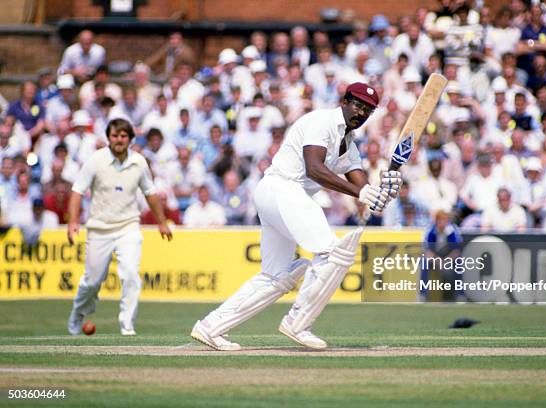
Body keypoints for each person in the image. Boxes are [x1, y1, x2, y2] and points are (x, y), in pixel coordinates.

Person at [191, 83, 404, 351]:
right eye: (358, 105)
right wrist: (361, 193)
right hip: (283, 188)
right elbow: (314, 169)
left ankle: (211, 327)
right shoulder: (321, 121)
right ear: (345, 101)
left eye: (368, 111)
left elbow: (362, 185)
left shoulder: (349, 145)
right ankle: (298, 322)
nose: (361, 113)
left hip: (282, 197)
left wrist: (381, 193)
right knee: (332, 253)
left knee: (275, 276)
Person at [66, 118, 173, 336]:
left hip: (128, 227)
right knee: (92, 281)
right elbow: (77, 191)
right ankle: (78, 315)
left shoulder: (139, 162)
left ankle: (127, 325)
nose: (119, 140)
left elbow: (150, 193)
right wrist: (73, 222)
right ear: (108, 138)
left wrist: (162, 222)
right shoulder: (96, 160)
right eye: (115, 136)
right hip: (99, 228)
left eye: (123, 136)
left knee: (131, 274)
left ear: (130, 139)